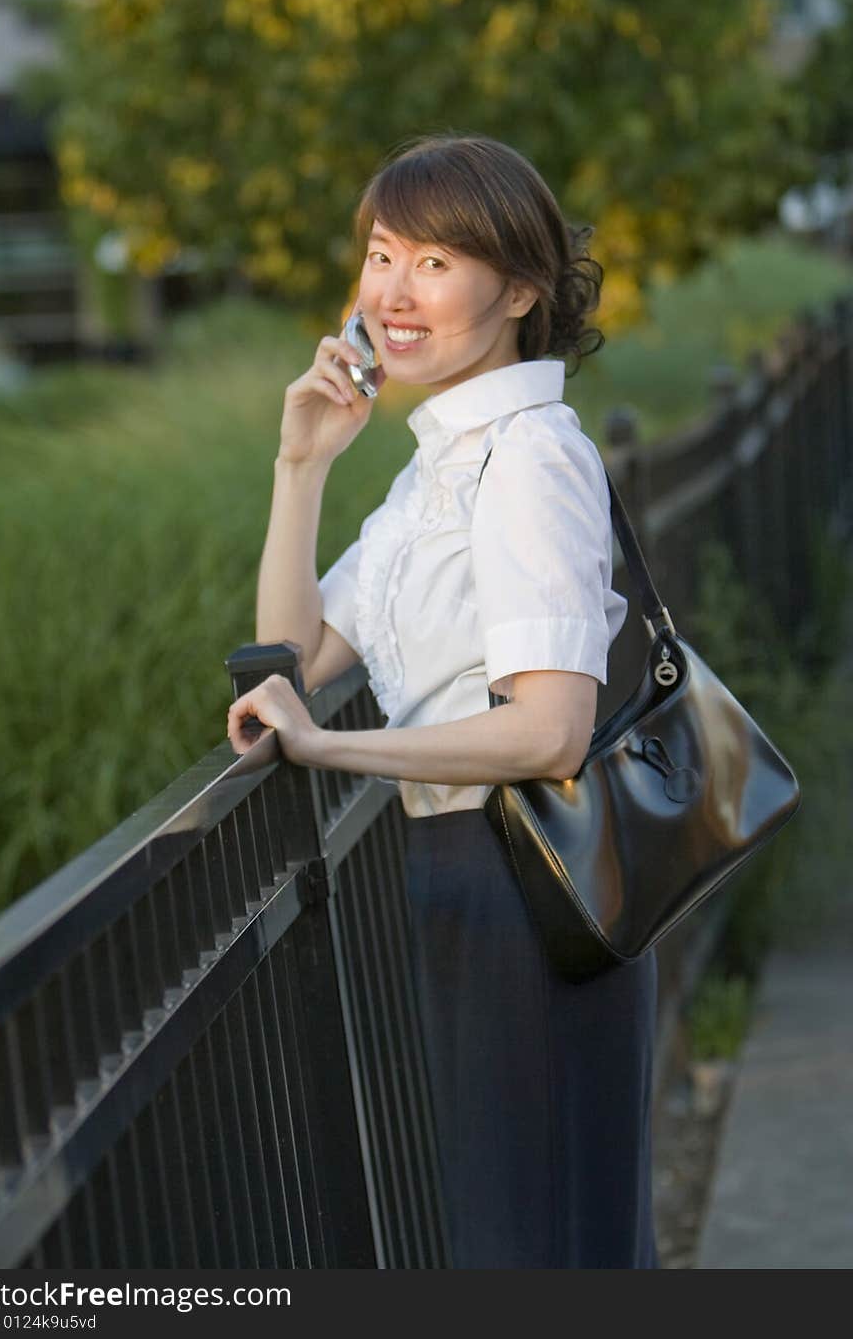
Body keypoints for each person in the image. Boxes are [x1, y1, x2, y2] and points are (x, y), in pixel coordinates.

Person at [227, 133, 660, 1269]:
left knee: (536, 1234)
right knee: (510, 1225)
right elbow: (296, 654)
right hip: (473, 873)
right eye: (382, 255)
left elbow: (548, 726)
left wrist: (329, 749)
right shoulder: (445, 462)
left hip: (529, 876)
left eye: (434, 262)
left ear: (518, 290)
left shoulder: (526, 456)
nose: (392, 292)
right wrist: (302, 465)